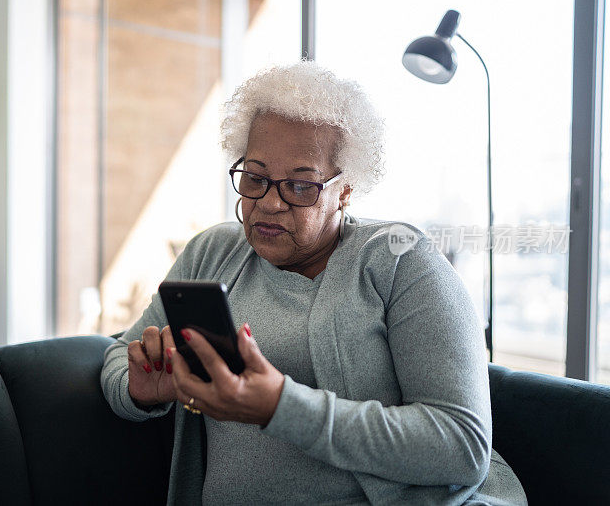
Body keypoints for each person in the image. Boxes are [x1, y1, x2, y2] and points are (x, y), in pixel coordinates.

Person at [100, 61, 527, 505]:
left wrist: (280, 406)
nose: (268, 203)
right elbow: (116, 357)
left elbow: (462, 446)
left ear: (345, 190)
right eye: (255, 177)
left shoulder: (400, 261)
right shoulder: (211, 253)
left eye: (301, 186)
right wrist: (142, 391)